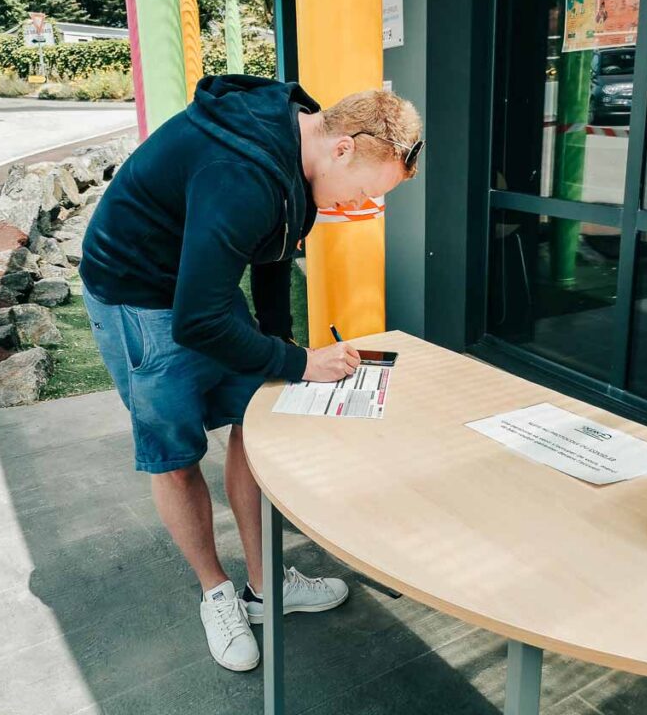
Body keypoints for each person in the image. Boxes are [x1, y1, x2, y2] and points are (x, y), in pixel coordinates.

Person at [79, 74, 423, 672]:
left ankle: (265, 589)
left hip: (196, 290)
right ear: (342, 149)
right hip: (138, 296)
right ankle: (215, 590)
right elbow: (196, 322)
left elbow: (274, 247)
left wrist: (280, 340)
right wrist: (300, 362)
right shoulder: (241, 173)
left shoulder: (302, 138)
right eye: (368, 191)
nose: (365, 207)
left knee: (257, 417)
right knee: (175, 450)